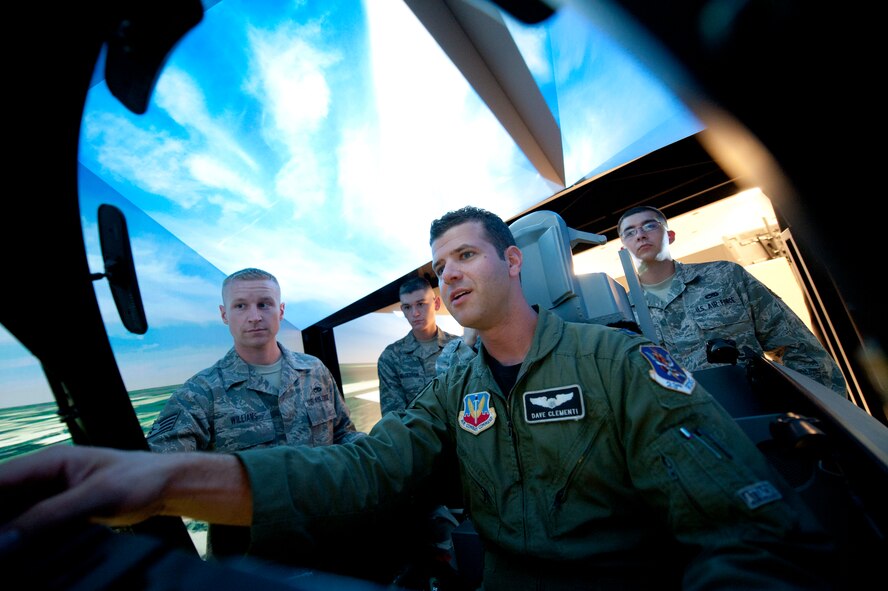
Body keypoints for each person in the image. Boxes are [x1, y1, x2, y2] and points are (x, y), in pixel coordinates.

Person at [1, 207, 837, 590]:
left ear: (515, 264)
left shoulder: (621, 363)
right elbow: (361, 469)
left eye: (467, 255)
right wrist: (163, 481)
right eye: (441, 267)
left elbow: (743, 539)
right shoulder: (453, 390)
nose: (451, 274)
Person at [145, 267, 365, 558]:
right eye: (241, 306)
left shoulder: (314, 370)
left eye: (264, 304)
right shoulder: (202, 392)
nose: (254, 316)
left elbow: (343, 434)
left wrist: (380, 461)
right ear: (225, 315)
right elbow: (155, 469)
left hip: (330, 536)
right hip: (251, 557)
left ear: (281, 309)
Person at [617, 205, 848, 396]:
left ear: (669, 236)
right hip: (689, 432)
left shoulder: (725, 276)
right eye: (630, 232)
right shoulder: (622, 314)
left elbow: (797, 346)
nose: (640, 234)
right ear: (623, 247)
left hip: (754, 410)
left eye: (649, 225)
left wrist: (826, 413)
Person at [377, 276, 458, 416]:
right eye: (408, 307)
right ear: (403, 310)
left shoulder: (458, 348)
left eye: (421, 304)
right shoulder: (391, 357)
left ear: (436, 304)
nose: (415, 313)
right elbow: (394, 418)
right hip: (415, 436)